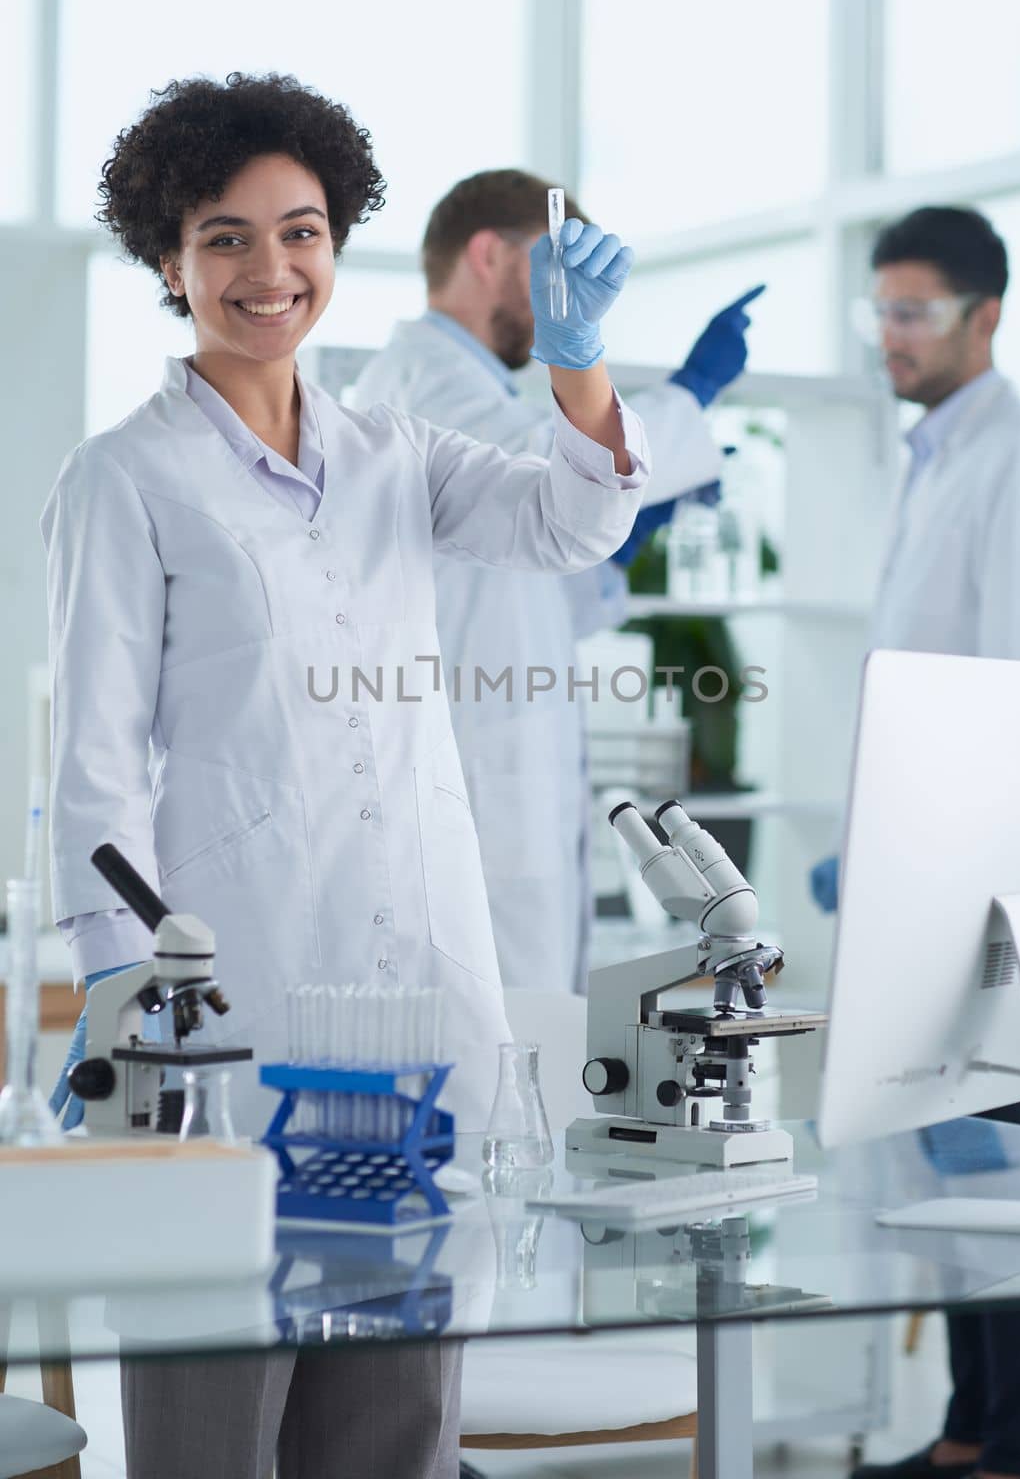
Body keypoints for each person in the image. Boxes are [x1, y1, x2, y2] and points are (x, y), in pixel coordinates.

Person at [42, 73, 648, 1479]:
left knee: (394, 1428)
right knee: (216, 1423)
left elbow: (569, 524)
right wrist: (128, 999)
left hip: (410, 1006)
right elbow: (91, 771)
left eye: (300, 231)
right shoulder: (127, 477)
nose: (271, 270)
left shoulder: (391, 449)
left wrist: (575, 360)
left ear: (339, 241)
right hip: (232, 1005)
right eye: (227, 237)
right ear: (169, 258)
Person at [353, 168, 762, 990]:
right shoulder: (422, 379)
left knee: (531, 1039)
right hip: (469, 778)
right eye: (554, 266)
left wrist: (629, 528)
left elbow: (524, 573)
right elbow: (545, 466)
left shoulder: (467, 385)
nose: (568, 293)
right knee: (491, 1048)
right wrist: (690, 393)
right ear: (488, 255)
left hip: (505, 763)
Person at [811, 205, 1020, 1479]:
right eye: (882, 309)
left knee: (1004, 1180)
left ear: (987, 315)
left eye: (913, 311)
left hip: (983, 895)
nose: (890, 335)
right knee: (952, 1186)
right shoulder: (933, 456)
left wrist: (957, 878)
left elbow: (1019, 679)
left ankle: (1008, 1446)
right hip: (925, 880)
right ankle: (968, 1430)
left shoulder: (1019, 455)